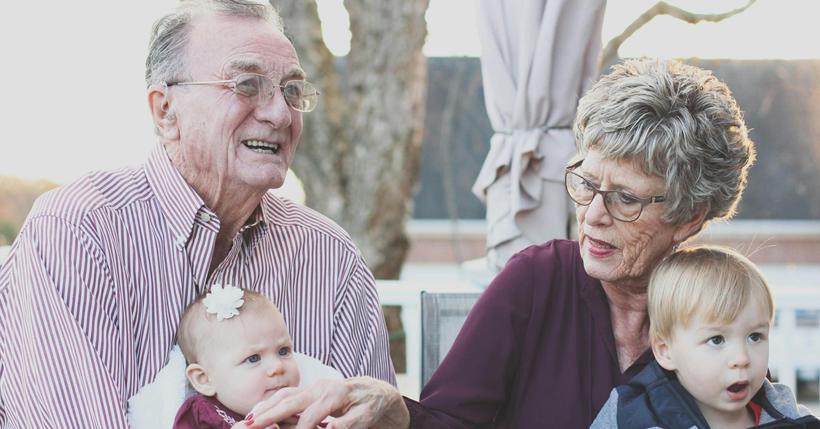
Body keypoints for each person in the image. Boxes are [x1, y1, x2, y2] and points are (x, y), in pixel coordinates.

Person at [247, 58, 758, 429]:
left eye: (625, 199)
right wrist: (397, 411)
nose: (592, 215)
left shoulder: (721, 308)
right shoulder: (537, 280)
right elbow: (448, 421)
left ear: (688, 217)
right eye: (585, 183)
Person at [0, 1, 394, 426]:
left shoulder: (328, 255)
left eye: (293, 91)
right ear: (165, 111)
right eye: (247, 84)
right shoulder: (78, 232)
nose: (281, 114)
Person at [591, 246, 820, 429]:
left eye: (755, 336)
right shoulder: (630, 417)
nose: (741, 358)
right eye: (717, 340)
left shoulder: (793, 419)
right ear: (665, 351)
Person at [173, 285, 300, 428]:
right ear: (204, 379)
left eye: (283, 351)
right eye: (253, 358)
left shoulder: (303, 408)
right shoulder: (202, 414)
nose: (278, 366)